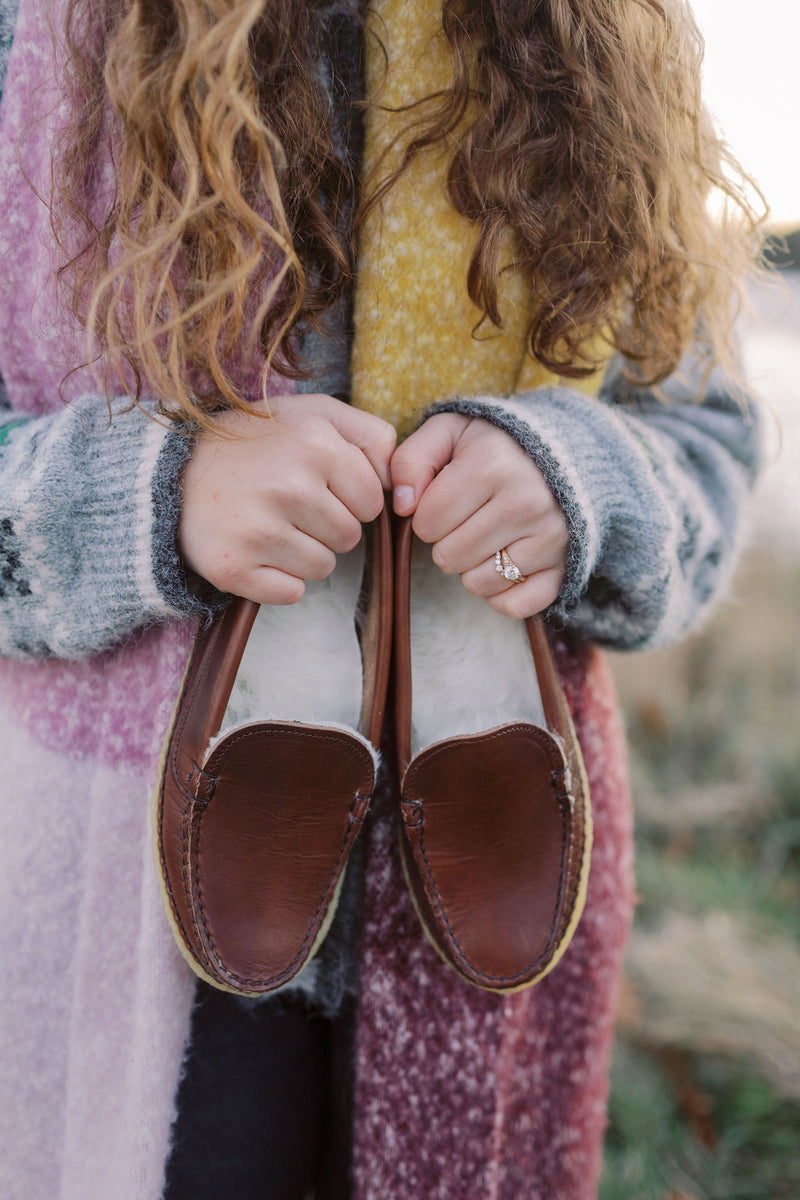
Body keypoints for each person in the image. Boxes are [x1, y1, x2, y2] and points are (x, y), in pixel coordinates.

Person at [0, 0, 764, 1197]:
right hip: (105, 896)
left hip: (495, 860)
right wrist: (150, 495)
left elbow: (707, 452)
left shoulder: (598, 40)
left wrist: (586, 491)